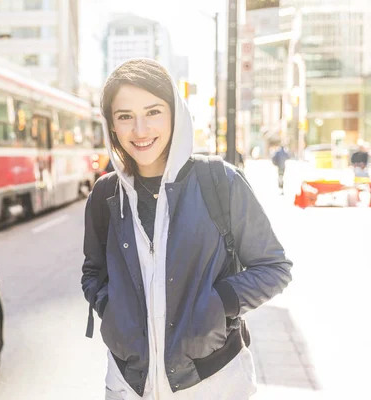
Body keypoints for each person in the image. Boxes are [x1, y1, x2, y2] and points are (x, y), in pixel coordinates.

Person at [81, 59, 292, 400]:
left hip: (214, 380)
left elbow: (274, 267)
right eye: (124, 117)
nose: (140, 130)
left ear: (175, 113)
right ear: (111, 126)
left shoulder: (221, 182)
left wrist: (217, 303)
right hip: (127, 384)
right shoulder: (106, 194)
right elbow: (93, 273)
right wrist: (112, 310)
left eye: (153, 112)